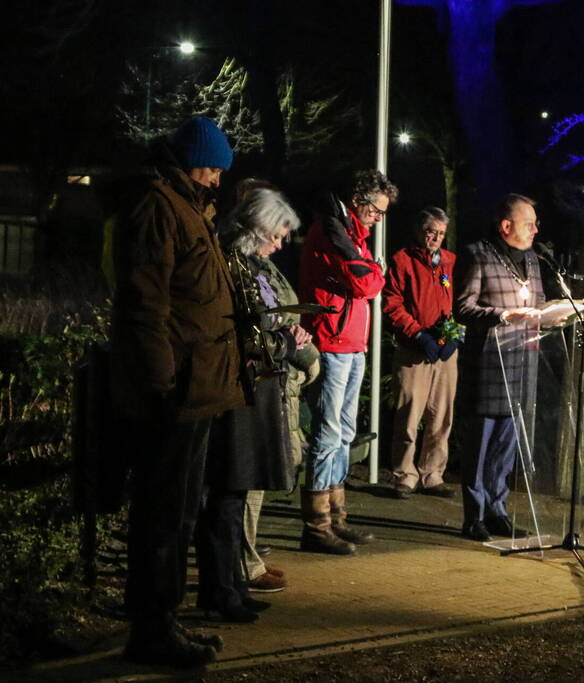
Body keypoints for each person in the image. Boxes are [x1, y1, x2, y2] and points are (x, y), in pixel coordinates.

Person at [110, 116, 241, 666]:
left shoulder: (187, 207)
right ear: (191, 163)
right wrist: (161, 382)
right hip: (177, 391)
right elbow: (147, 306)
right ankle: (151, 629)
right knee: (163, 513)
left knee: (181, 511)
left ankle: (165, 621)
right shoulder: (160, 209)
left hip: (197, 386)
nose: (216, 179)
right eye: (212, 167)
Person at [191, 187, 313, 622]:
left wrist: (283, 336)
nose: (280, 246)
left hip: (251, 386)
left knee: (234, 493)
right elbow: (247, 328)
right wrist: (282, 338)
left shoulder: (245, 263)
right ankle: (221, 590)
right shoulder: (230, 264)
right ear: (256, 230)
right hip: (234, 388)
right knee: (226, 494)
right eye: (276, 236)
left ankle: (229, 586)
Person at [299, 170, 397, 554]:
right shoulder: (333, 232)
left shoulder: (351, 234)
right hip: (333, 341)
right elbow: (366, 284)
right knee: (327, 435)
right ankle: (316, 526)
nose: (380, 217)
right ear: (360, 201)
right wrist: (375, 272)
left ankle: (335, 519)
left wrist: (371, 272)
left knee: (341, 433)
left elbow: (368, 280)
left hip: (350, 343)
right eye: (377, 210)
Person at [454, 193, 545, 542]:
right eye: (529, 223)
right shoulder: (477, 255)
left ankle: (498, 510)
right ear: (506, 226)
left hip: (524, 364)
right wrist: (503, 315)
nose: (535, 229)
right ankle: (474, 515)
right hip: (489, 366)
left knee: (506, 447)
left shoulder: (534, 259)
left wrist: (555, 313)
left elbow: (537, 304)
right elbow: (462, 308)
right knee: (481, 445)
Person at [382, 207, 460, 498]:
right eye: (431, 231)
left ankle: (432, 473)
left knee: (441, 415)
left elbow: (460, 301)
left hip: (445, 351)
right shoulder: (402, 261)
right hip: (413, 349)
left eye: (441, 233)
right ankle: (405, 474)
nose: (436, 238)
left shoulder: (450, 262)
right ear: (419, 230)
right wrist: (416, 332)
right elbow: (392, 304)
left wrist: (455, 334)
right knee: (408, 414)